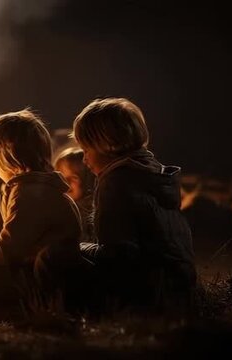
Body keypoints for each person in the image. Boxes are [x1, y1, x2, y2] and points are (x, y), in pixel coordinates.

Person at [0, 109, 82, 308]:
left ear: (5, 160)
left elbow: (6, 250)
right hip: (36, 270)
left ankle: (25, 301)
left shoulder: (28, 193)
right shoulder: (33, 187)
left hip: (46, 280)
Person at [72, 97, 196, 312]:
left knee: (55, 254)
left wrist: (76, 247)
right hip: (180, 286)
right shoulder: (154, 173)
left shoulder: (116, 181)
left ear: (107, 144)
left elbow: (117, 255)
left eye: (86, 150)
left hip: (147, 292)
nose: (84, 159)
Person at [54, 147, 96, 242]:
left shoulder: (90, 213)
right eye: (61, 177)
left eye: (74, 177)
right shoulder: (60, 209)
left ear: (87, 179)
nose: (66, 182)